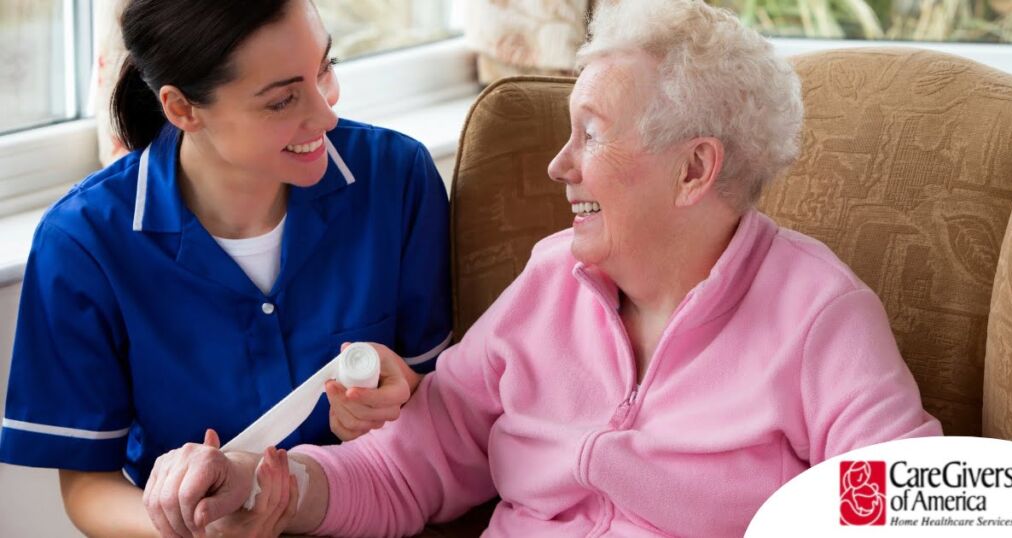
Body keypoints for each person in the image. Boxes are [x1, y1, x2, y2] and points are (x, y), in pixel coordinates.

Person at [148, 1, 943, 536]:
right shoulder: (549, 280)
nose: (559, 165)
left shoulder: (816, 314)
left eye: (590, 135)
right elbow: (408, 466)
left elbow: (909, 509)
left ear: (695, 169)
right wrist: (271, 486)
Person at [0, 0, 452, 536]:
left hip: (371, 517)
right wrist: (196, 531)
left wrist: (403, 392)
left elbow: (448, 396)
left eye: (324, 69)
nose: (326, 113)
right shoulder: (82, 243)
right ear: (183, 108)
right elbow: (86, 489)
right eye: (283, 99)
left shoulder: (396, 178)